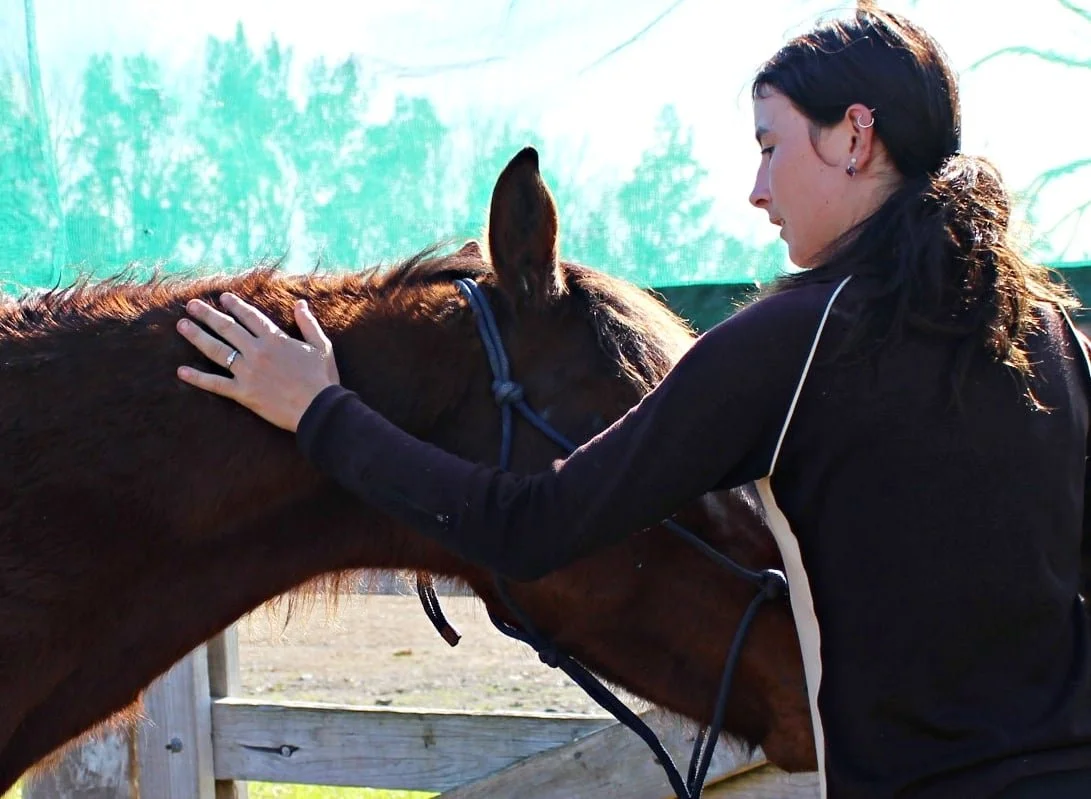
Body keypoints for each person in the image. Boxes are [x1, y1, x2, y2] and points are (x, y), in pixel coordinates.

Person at [174, 6, 1091, 798]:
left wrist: (319, 412)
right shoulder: (1047, 330)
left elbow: (532, 525)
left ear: (854, 137)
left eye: (771, 146)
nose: (758, 190)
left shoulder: (796, 341)